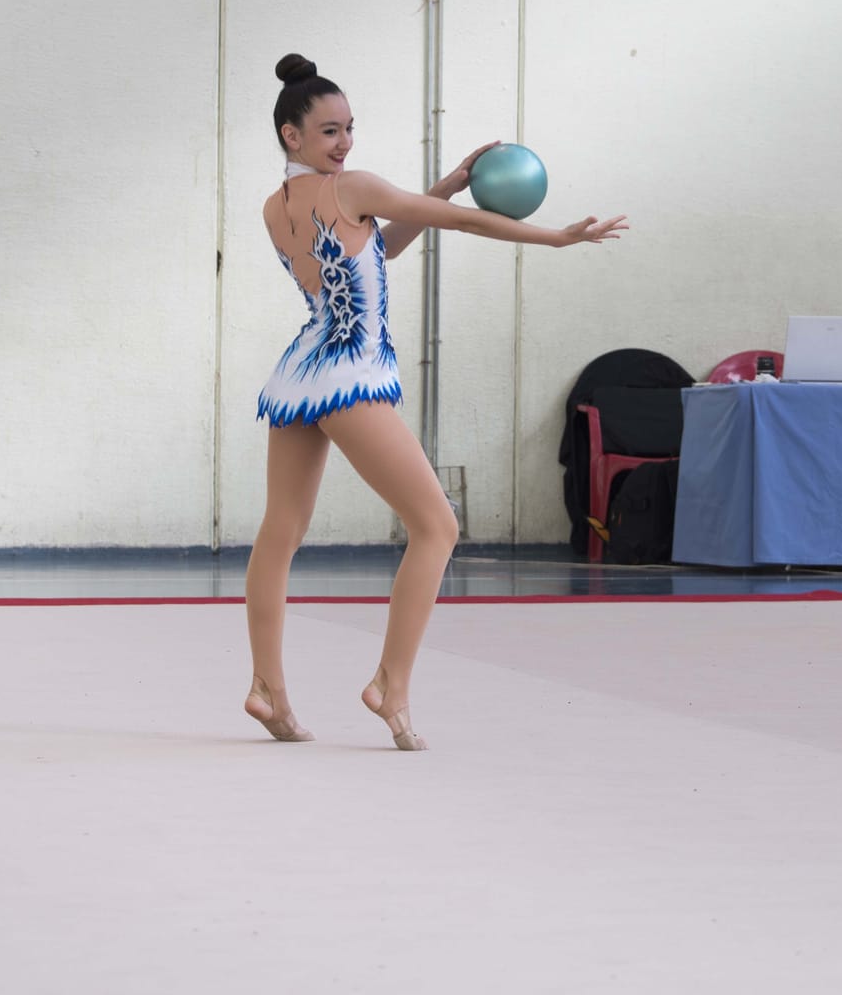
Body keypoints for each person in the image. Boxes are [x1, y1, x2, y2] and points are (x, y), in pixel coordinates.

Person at [246, 53, 626, 750]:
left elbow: (378, 248)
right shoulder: (353, 186)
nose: (345, 142)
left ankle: (267, 685)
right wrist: (556, 237)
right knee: (436, 526)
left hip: (301, 369)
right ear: (290, 134)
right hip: (349, 370)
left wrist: (444, 186)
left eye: (350, 128)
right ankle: (389, 684)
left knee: (281, 530)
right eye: (330, 131)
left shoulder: (277, 207)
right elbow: (463, 224)